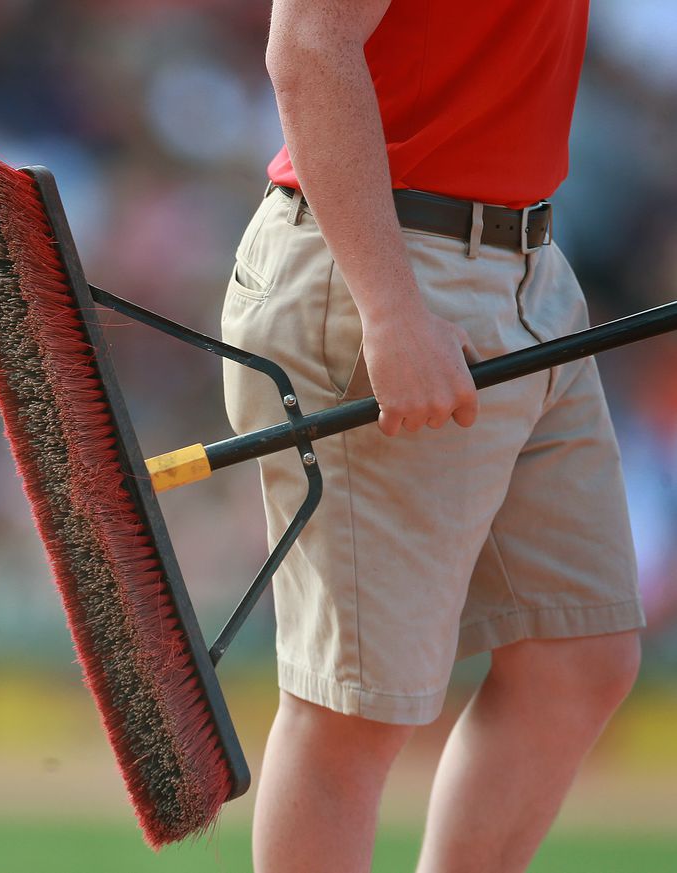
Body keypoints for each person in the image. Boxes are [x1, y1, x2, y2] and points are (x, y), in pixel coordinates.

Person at [221, 2, 643, 871]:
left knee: (578, 657)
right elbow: (307, 42)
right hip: (390, 259)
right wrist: (388, 306)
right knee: (354, 710)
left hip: (528, 264)